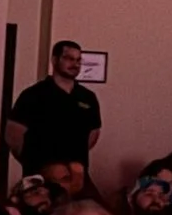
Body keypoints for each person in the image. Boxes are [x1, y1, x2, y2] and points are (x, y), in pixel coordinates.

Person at [7, 39, 104, 183]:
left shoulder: (88, 97)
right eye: (69, 59)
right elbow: (13, 136)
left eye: (78, 60)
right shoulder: (33, 95)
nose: (75, 64)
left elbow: (93, 134)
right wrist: (32, 161)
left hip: (77, 175)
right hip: (40, 175)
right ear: (54, 60)